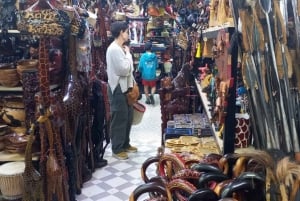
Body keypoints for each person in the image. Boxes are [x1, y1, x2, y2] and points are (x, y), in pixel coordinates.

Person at [106, 21, 137, 160]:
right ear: (121, 33)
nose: (128, 34)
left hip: (125, 87)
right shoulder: (114, 49)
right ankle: (117, 149)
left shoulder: (121, 48)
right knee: (119, 118)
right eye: (126, 31)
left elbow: (129, 69)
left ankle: (125, 143)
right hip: (117, 87)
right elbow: (123, 69)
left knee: (128, 117)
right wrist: (129, 56)